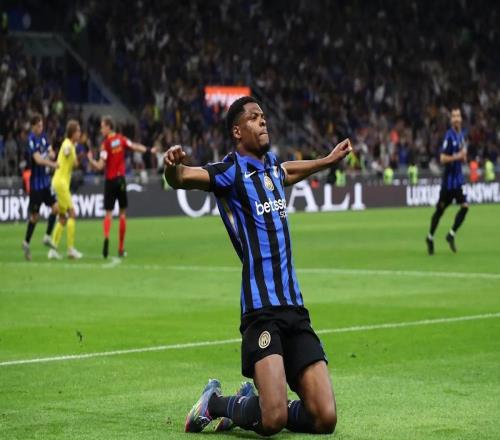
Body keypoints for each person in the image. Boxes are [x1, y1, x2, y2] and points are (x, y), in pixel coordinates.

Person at [164, 96, 352, 436]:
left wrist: (327, 160)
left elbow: (288, 170)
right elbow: (183, 178)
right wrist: (172, 167)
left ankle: (254, 403)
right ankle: (214, 404)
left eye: (264, 115)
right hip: (261, 311)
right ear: (237, 131)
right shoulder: (231, 172)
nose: (263, 121)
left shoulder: (273, 168)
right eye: (254, 117)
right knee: (273, 420)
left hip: (294, 307)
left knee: (325, 418)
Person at [87, 115, 152, 258]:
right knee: (122, 213)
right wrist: (148, 150)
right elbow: (134, 146)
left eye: (102, 127)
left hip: (110, 181)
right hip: (121, 180)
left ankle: (106, 236)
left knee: (108, 213)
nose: (101, 130)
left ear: (109, 127)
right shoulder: (121, 139)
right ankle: (121, 248)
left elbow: (100, 166)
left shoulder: (105, 144)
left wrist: (91, 160)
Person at [426, 107, 469, 255]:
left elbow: (462, 155)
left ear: (461, 119)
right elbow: (442, 158)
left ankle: (451, 234)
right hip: (448, 183)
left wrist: (463, 157)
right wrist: (458, 156)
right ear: (451, 120)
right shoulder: (449, 136)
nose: (456, 119)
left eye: (458, 116)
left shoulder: (461, 136)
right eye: (454, 116)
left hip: (458, 181)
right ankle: (430, 237)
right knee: (440, 211)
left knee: (465, 207)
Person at [22, 114, 59, 261]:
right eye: (38, 126)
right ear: (33, 126)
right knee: (35, 217)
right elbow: (37, 160)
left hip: (45, 183)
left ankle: (47, 236)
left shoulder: (43, 137)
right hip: (36, 185)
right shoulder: (31, 140)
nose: (41, 128)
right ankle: (26, 243)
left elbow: (50, 151)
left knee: (56, 208)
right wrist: (52, 164)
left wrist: (51, 154)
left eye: (42, 125)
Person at [48, 119, 83, 260]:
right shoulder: (67, 144)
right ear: (72, 133)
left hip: (59, 182)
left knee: (62, 218)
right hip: (61, 184)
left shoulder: (72, 145)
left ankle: (52, 250)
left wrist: (77, 154)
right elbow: (66, 151)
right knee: (72, 213)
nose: (80, 133)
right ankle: (70, 249)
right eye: (78, 131)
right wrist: (68, 152)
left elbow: (75, 163)